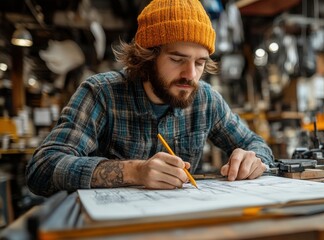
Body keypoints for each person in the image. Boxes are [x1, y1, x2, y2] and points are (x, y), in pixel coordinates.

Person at [26, 0, 274, 197]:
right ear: (146, 56)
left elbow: (257, 145)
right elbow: (42, 169)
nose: (191, 75)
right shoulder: (101, 93)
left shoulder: (206, 100)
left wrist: (253, 159)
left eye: (200, 63)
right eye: (177, 59)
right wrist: (134, 171)